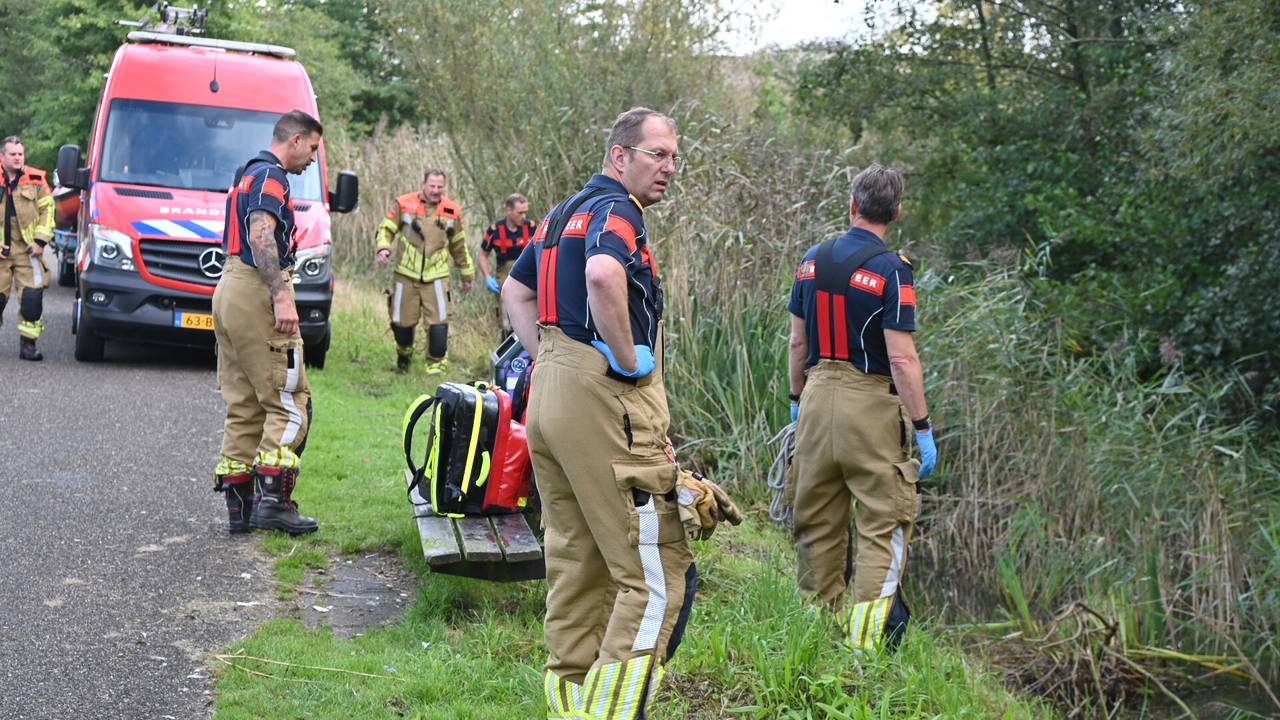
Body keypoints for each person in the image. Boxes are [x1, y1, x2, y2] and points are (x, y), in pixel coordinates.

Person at [504, 107, 694, 720]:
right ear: (620, 156)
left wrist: (549, 360)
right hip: (603, 396)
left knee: (577, 567)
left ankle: (569, 706)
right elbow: (605, 273)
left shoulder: (562, 213)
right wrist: (623, 357)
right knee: (655, 575)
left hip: (552, 395)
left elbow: (516, 290)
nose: (669, 168)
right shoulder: (619, 212)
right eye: (657, 155)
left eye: (673, 157)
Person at [786, 163, 938, 653]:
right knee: (883, 521)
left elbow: (796, 341)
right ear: (896, 212)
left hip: (814, 399)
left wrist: (795, 399)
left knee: (817, 520)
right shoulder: (894, 269)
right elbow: (901, 356)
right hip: (870, 405)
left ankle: (814, 632)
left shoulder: (810, 260)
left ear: (852, 204)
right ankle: (866, 648)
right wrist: (923, 426)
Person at [211, 110, 323, 536]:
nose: (313, 158)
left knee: (244, 404)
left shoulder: (246, 173)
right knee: (289, 398)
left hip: (229, 286)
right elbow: (261, 236)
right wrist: (280, 294)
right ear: (294, 140)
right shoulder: (272, 176)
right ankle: (274, 504)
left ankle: (240, 510)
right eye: (312, 147)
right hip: (257, 288)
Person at [375, 169, 474, 373]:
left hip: (437, 276)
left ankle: (435, 371)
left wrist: (467, 274)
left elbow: (459, 245)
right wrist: (383, 248)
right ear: (423, 185)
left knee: (439, 325)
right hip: (405, 274)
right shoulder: (404, 203)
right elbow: (386, 229)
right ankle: (404, 358)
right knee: (401, 324)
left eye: (440, 187)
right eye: (432, 186)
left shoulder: (451, 210)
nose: (436, 190)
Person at [0, 137, 55, 361]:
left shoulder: (35, 179)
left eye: (20, 154)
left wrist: (40, 241)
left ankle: (28, 345)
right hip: (1, 250)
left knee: (32, 299)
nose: (18, 158)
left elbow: (48, 210)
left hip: (28, 249)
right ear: (2, 156)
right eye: (13, 154)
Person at [477, 193, 535, 336]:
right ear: (509, 210)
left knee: (530, 315)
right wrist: (487, 277)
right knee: (506, 319)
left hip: (529, 274)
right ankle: (505, 348)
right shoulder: (495, 230)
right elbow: (483, 254)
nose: (523, 216)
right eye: (520, 213)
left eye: (525, 212)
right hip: (504, 274)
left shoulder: (532, 227)